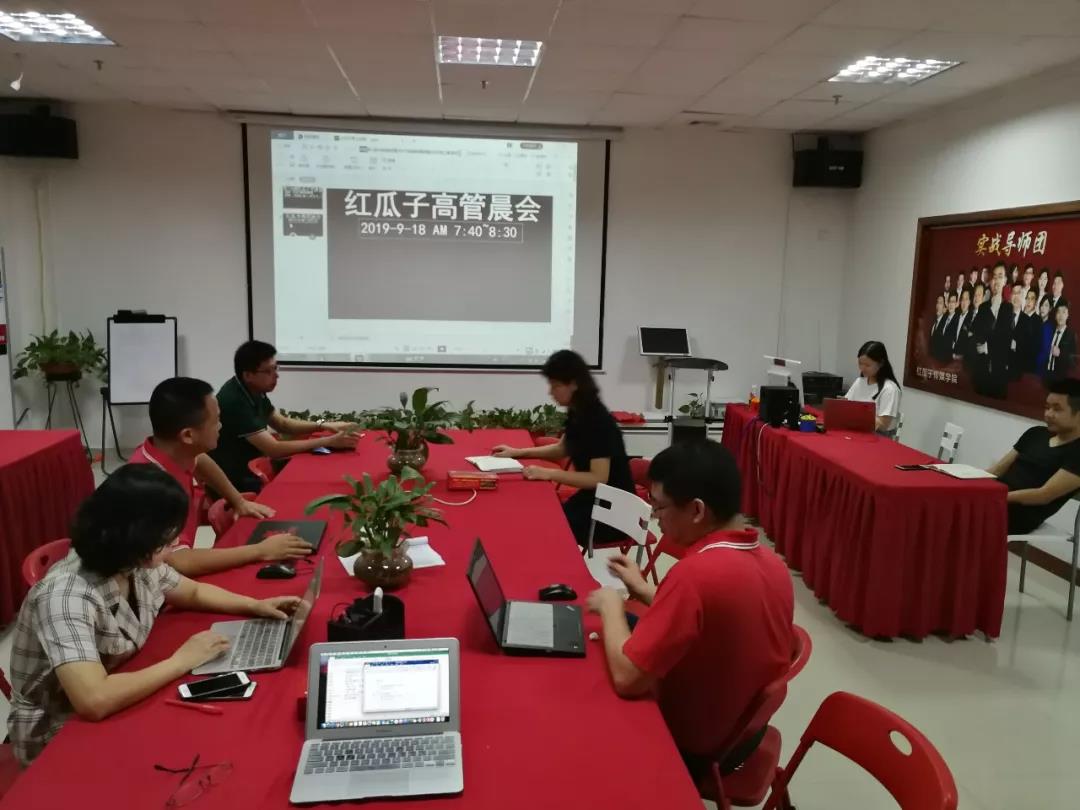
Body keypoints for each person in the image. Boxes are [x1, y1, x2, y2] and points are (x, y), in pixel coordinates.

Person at [6, 465, 301, 765]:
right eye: (167, 538)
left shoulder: (131, 560)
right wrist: (182, 660)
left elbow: (192, 592)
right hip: (57, 730)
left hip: (121, 682)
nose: (174, 545)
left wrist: (255, 605)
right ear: (137, 537)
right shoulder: (65, 595)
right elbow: (94, 700)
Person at [585, 441, 793, 783]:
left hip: (693, 746)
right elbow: (709, 617)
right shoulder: (771, 563)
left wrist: (610, 607)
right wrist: (644, 589)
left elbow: (627, 680)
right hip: (743, 733)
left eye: (659, 507)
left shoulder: (695, 575)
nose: (656, 519)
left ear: (697, 510)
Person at [128, 377, 312, 576]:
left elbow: (200, 460)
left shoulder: (175, 452)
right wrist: (260, 551)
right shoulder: (150, 489)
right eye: (216, 421)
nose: (221, 427)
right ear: (188, 435)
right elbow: (179, 562)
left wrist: (238, 501)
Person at [491, 349, 634, 547]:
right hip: (593, 499)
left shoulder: (597, 421)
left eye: (556, 385)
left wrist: (549, 474)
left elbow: (598, 478)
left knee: (545, 527)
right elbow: (563, 448)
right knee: (541, 517)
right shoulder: (579, 411)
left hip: (613, 512)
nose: (551, 392)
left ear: (574, 384)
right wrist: (517, 452)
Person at [209, 340, 359, 492]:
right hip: (235, 481)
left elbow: (282, 424)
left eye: (275, 368)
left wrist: (324, 424)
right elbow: (274, 449)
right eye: (268, 371)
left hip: (253, 467)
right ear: (248, 375)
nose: (276, 375)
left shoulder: (251, 388)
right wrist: (329, 441)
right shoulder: (235, 401)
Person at [987, 379, 1080, 534]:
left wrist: (996, 497)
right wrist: (970, 483)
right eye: (1047, 407)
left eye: (1057, 409)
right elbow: (997, 470)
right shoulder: (1036, 433)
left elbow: (1043, 495)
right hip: (995, 499)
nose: (1048, 414)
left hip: (1018, 513)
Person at [972, 261, 1014, 398]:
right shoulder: (983, 308)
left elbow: (1005, 341)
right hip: (981, 371)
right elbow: (976, 334)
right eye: (994, 277)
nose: (996, 281)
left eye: (1000, 276)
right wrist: (991, 309)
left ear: (1005, 280)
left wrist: (987, 347)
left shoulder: (1008, 309)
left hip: (998, 373)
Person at [845, 341, 902, 435]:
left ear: (881, 363)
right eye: (860, 363)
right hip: (856, 430)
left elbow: (883, 425)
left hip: (878, 435)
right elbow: (846, 405)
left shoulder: (890, 389)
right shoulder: (860, 381)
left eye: (867, 365)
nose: (862, 368)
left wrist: (857, 415)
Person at [1043, 303, 1076, 383]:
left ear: (1068, 315)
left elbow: (1073, 362)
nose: (1061, 315)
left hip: (1060, 379)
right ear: (1055, 316)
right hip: (1045, 375)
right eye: (1058, 312)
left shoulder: (1071, 335)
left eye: (1064, 312)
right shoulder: (1049, 331)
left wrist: (1060, 354)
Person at [1018, 288, 1042, 375]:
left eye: (1032, 299)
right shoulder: (1020, 316)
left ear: (1036, 302)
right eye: (1027, 298)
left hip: (1029, 366)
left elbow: (1036, 346)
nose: (1029, 301)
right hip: (1017, 363)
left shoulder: (1038, 320)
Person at [934, 291, 960, 363]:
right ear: (947, 303)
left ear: (957, 304)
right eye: (949, 301)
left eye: (953, 302)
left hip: (949, 359)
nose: (951, 304)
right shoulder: (944, 317)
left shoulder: (958, 320)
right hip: (938, 357)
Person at [952, 288, 975, 361]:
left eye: (966, 299)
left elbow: (970, 344)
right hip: (951, 355)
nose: (964, 302)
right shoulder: (956, 316)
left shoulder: (972, 319)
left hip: (963, 359)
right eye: (962, 299)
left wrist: (960, 357)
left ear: (970, 302)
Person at [929, 295, 947, 359]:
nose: (938, 305)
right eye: (937, 302)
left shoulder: (946, 324)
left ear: (944, 308)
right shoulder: (933, 322)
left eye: (940, 303)